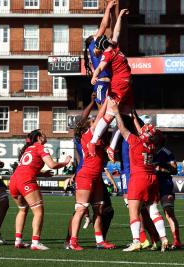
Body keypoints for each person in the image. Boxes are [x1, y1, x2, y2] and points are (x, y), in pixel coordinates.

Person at [113, 109, 169, 252]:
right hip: (152, 178)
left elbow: (121, 128)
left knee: (133, 212)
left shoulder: (136, 142)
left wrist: (116, 113)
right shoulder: (152, 145)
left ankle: (136, 241)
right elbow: (143, 132)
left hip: (138, 178)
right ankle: (163, 237)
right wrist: (134, 118)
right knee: (154, 211)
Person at [9, 129, 71, 250]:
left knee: (22, 209)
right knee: (38, 211)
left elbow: (28, 167)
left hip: (14, 181)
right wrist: (65, 162)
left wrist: (42, 174)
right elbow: (52, 164)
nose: (45, 135)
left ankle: (18, 241)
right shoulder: (40, 147)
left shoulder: (28, 148)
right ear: (38, 138)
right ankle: (35, 242)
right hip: (25, 181)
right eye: (43, 134)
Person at [67, 96, 115, 251]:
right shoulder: (89, 134)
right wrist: (107, 100)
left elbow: (103, 122)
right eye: (92, 120)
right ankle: (73, 241)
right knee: (81, 209)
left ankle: (99, 241)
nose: (95, 120)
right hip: (86, 175)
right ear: (88, 125)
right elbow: (102, 116)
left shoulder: (99, 137)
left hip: (97, 176)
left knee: (99, 210)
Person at [88, 8, 133, 156]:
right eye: (106, 39)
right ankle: (93, 142)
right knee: (109, 115)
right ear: (103, 43)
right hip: (119, 85)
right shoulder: (107, 53)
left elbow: (117, 31)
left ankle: (112, 147)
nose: (109, 38)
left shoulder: (113, 46)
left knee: (126, 116)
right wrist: (94, 76)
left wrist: (119, 15)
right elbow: (101, 66)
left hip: (126, 86)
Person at [84, 0, 117, 108]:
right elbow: (104, 25)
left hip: (105, 83)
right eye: (95, 35)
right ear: (93, 40)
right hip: (102, 83)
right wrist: (108, 8)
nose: (98, 35)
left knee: (106, 113)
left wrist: (112, 14)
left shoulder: (98, 48)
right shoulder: (93, 45)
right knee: (104, 114)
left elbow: (113, 32)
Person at [154, 130, 182, 249]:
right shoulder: (147, 150)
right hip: (150, 185)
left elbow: (174, 170)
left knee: (168, 212)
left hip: (165, 184)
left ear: (159, 138)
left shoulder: (166, 152)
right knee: (148, 213)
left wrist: (160, 169)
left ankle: (176, 241)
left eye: (154, 136)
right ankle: (153, 240)